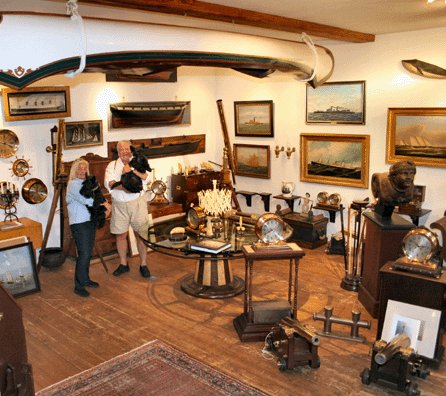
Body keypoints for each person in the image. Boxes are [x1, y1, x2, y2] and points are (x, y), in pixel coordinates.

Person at [104, 140, 152, 278]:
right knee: (121, 235)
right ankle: (123, 264)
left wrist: (131, 171)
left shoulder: (138, 162)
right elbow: (110, 183)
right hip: (119, 205)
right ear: (118, 152)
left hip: (138, 204)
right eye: (122, 150)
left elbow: (147, 178)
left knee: (141, 235)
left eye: (127, 150)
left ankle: (143, 264)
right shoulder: (111, 166)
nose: (125, 152)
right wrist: (127, 188)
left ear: (131, 150)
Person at [67, 158, 111, 297]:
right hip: (79, 223)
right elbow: (86, 200)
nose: (82, 171)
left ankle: (85, 279)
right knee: (84, 254)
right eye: (79, 168)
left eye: (85, 168)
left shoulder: (89, 183)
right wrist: (104, 205)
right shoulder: (73, 184)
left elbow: (98, 195)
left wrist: (105, 202)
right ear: (74, 170)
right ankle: (79, 286)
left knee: (88, 253)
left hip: (89, 221)